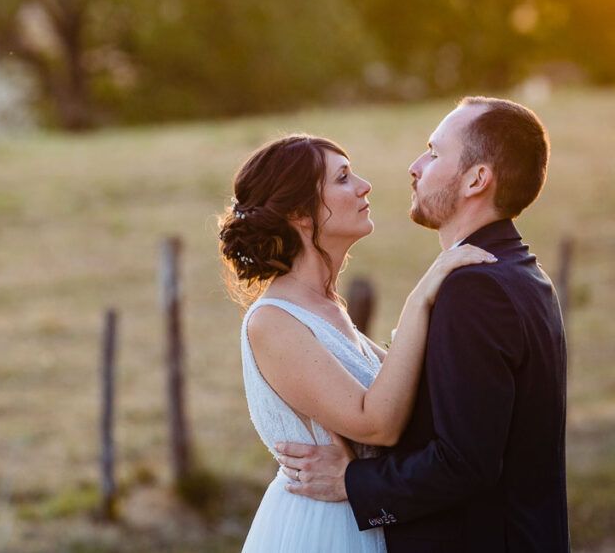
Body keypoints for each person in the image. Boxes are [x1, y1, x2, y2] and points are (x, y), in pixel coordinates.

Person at [275, 97, 569, 552]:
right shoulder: (522, 272)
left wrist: (354, 483)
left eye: (433, 153)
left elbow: (465, 463)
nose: (415, 167)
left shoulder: (475, 288)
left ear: (476, 179)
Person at [218, 133, 496, 552]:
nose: (364, 186)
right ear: (300, 213)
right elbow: (376, 424)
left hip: (361, 516)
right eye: (343, 178)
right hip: (321, 528)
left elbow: (412, 403)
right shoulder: (272, 320)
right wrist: (421, 298)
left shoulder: (328, 308)